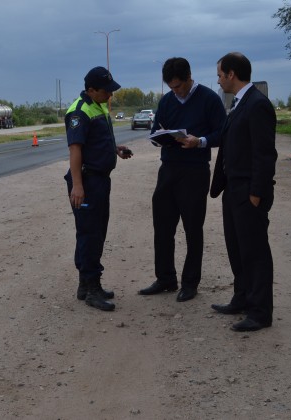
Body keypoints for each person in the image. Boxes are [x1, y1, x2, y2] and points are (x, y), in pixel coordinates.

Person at [138, 57, 227, 302]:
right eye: (171, 87)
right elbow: (157, 128)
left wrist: (200, 141)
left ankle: (190, 283)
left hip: (195, 170)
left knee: (192, 228)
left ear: (189, 78)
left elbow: (223, 132)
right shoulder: (166, 101)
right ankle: (165, 278)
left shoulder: (209, 99)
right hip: (168, 169)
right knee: (163, 226)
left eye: (178, 86)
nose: (175, 90)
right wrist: (159, 137)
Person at [210, 52, 277, 332]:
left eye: (219, 74)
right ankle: (241, 298)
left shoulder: (257, 105)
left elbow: (264, 154)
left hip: (249, 191)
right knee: (237, 249)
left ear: (231, 74)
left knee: (255, 253)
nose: (218, 79)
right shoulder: (239, 104)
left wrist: (256, 193)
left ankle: (259, 312)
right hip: (233, 188)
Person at [64, 66, 133, 311]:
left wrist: (115, 149)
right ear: (91, 90)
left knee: (97, 232)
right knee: (89, 234)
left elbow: (96, 140)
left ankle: (87, 284)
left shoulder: (98, 106)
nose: (110, 95)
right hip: (87, 182)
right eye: (106, 91)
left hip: (100, 180)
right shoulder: (78, 112)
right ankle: (91, 288)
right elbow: (76, 150)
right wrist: (78, 186)